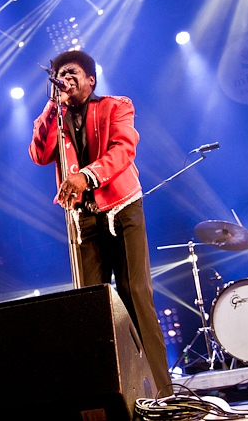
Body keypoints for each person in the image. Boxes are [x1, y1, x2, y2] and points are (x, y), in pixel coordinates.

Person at [29, 49, 172, 396]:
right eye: (61, 72)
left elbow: (124, 149)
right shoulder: (57, 116)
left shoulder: (115, 105)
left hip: (122, 209)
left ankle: (162, 393)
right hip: (83, 216)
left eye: (73, 72)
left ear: (91, 79)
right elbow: (39, 154)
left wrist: (87, 176)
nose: (66, 77)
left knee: (135, 293)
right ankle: (106, 393)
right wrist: (52, 106)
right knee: (89, 306)